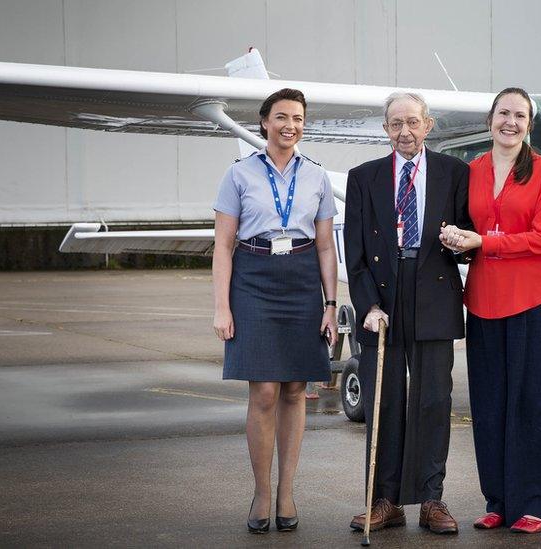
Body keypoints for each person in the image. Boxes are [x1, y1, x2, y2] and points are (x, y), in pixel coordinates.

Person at [440, 87, 541, 535]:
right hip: (484, 301)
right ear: (490, 119)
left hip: (537, 299)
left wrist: (485, 242)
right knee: (490, 404)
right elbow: (466, 227)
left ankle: (539, 503)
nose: (510, 122)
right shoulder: (471, 171)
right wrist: (455, 239)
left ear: (529, 125)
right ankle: (499, 499)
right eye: (503, 113)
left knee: (536, 404)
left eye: (519, 115)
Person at [343, 91, 472, 535]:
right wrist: (368, 305)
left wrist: (463, 242)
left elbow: (469, 238)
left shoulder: (455, 173)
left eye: (413, 123)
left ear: (428, 125)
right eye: (396, 124)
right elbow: (354, 251)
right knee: (386, 399)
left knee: (434, 400)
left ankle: (431, 499)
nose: (405, 132)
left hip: (434, 291)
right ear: (385, 130)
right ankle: (384, 500)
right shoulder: (364, 178)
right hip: (383, 294)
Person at [212, 88, 339, 534]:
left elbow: (326, 246)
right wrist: (221, 306)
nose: (291, 125)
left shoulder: (317, 177)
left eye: (299, 118)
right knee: (264, 391)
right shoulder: (238, 175)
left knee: (294, 389)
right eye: (282, 117)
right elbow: (223, 246)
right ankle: (261, 493)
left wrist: (330, 304)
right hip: (253, 277)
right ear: (263, 122)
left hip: (302, 278)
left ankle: (287, 492)